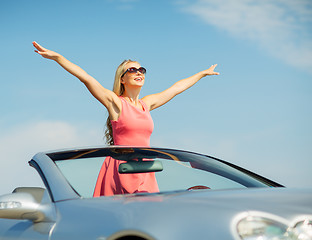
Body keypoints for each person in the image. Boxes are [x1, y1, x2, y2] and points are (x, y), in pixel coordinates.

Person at [32, 41, 219, 197]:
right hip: (122, 169)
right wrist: (58, 58)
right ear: (122, 78)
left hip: (146, 168)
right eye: (132, 70)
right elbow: (86, 78)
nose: (139, 72)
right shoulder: (116, 103)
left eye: (142, 69)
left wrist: (201, 74)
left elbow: (176, 88)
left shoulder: (147, 104)